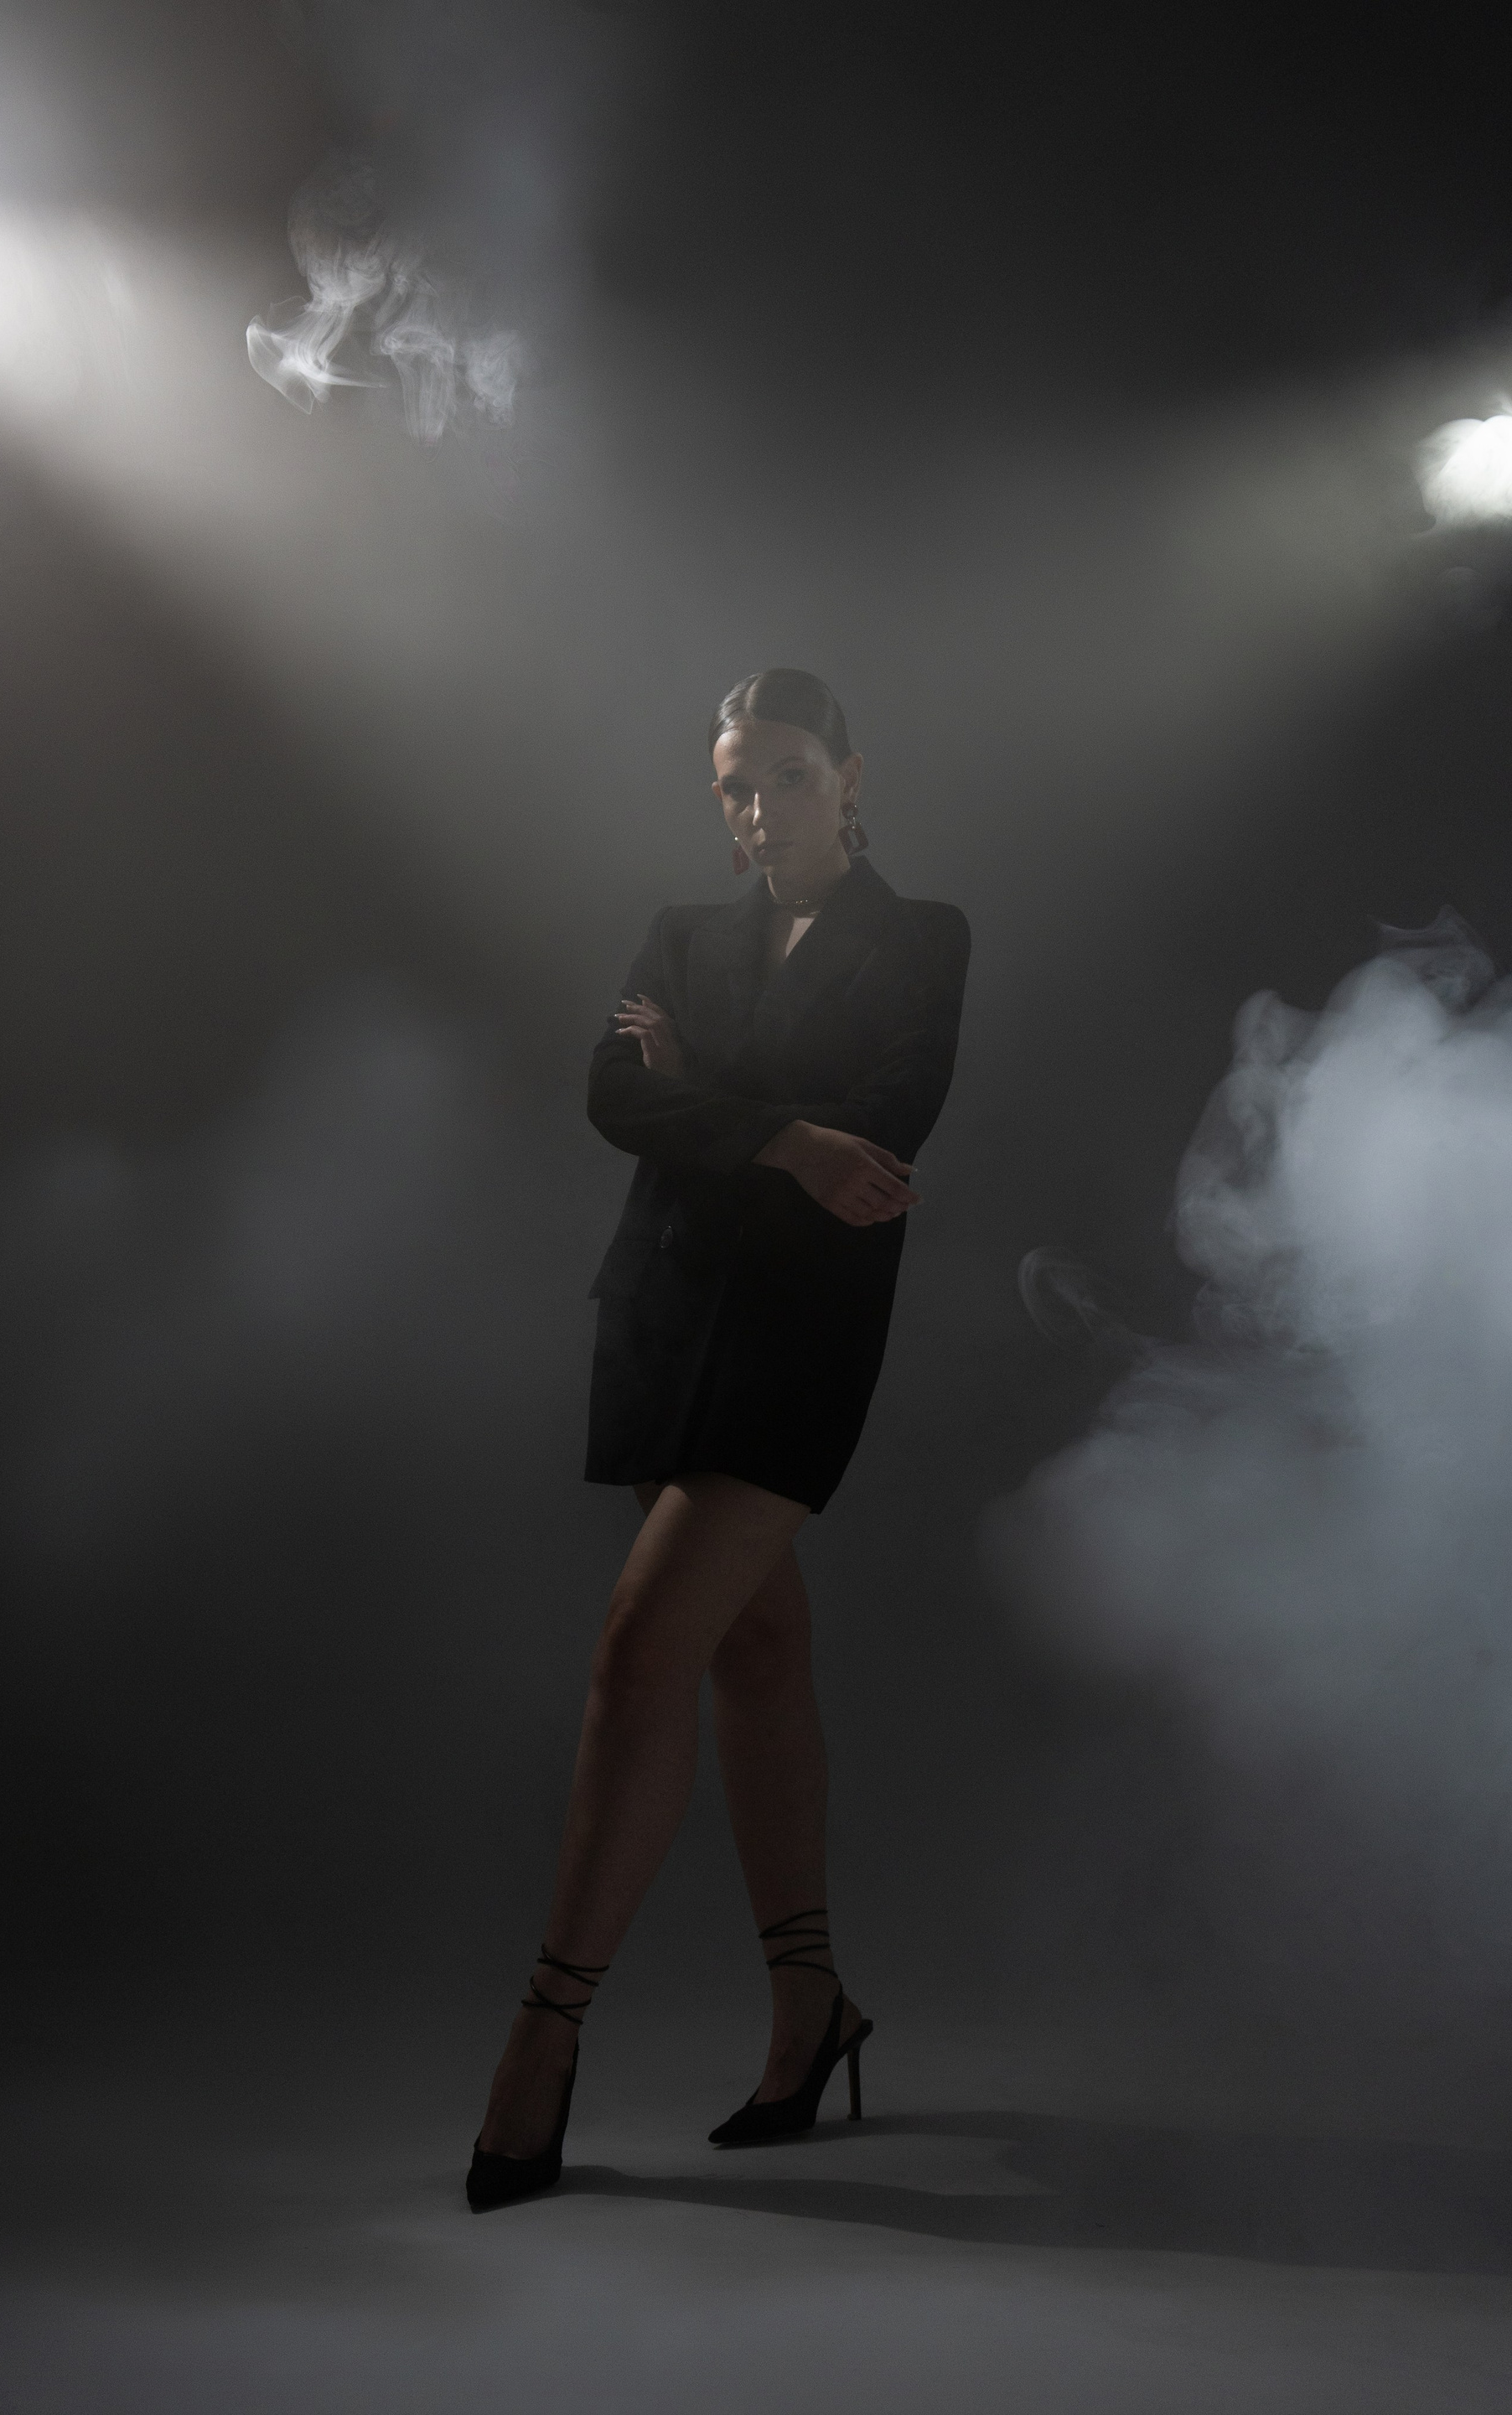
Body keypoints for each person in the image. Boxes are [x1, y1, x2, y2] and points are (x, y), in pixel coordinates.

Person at [467, 667, 971, 2209]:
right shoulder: (682, 933)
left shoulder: (926, 937)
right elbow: (614, 1094)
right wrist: (786, 1135)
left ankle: (545, 2031)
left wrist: (724, 1105)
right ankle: (813, 2001)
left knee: (643, 1650)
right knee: (754, 1652)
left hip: (798, 1340)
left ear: (850, 777)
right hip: (662, 1315)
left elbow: (889, 1121)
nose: (759, 807)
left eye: (788, 774)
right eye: (736, 783)